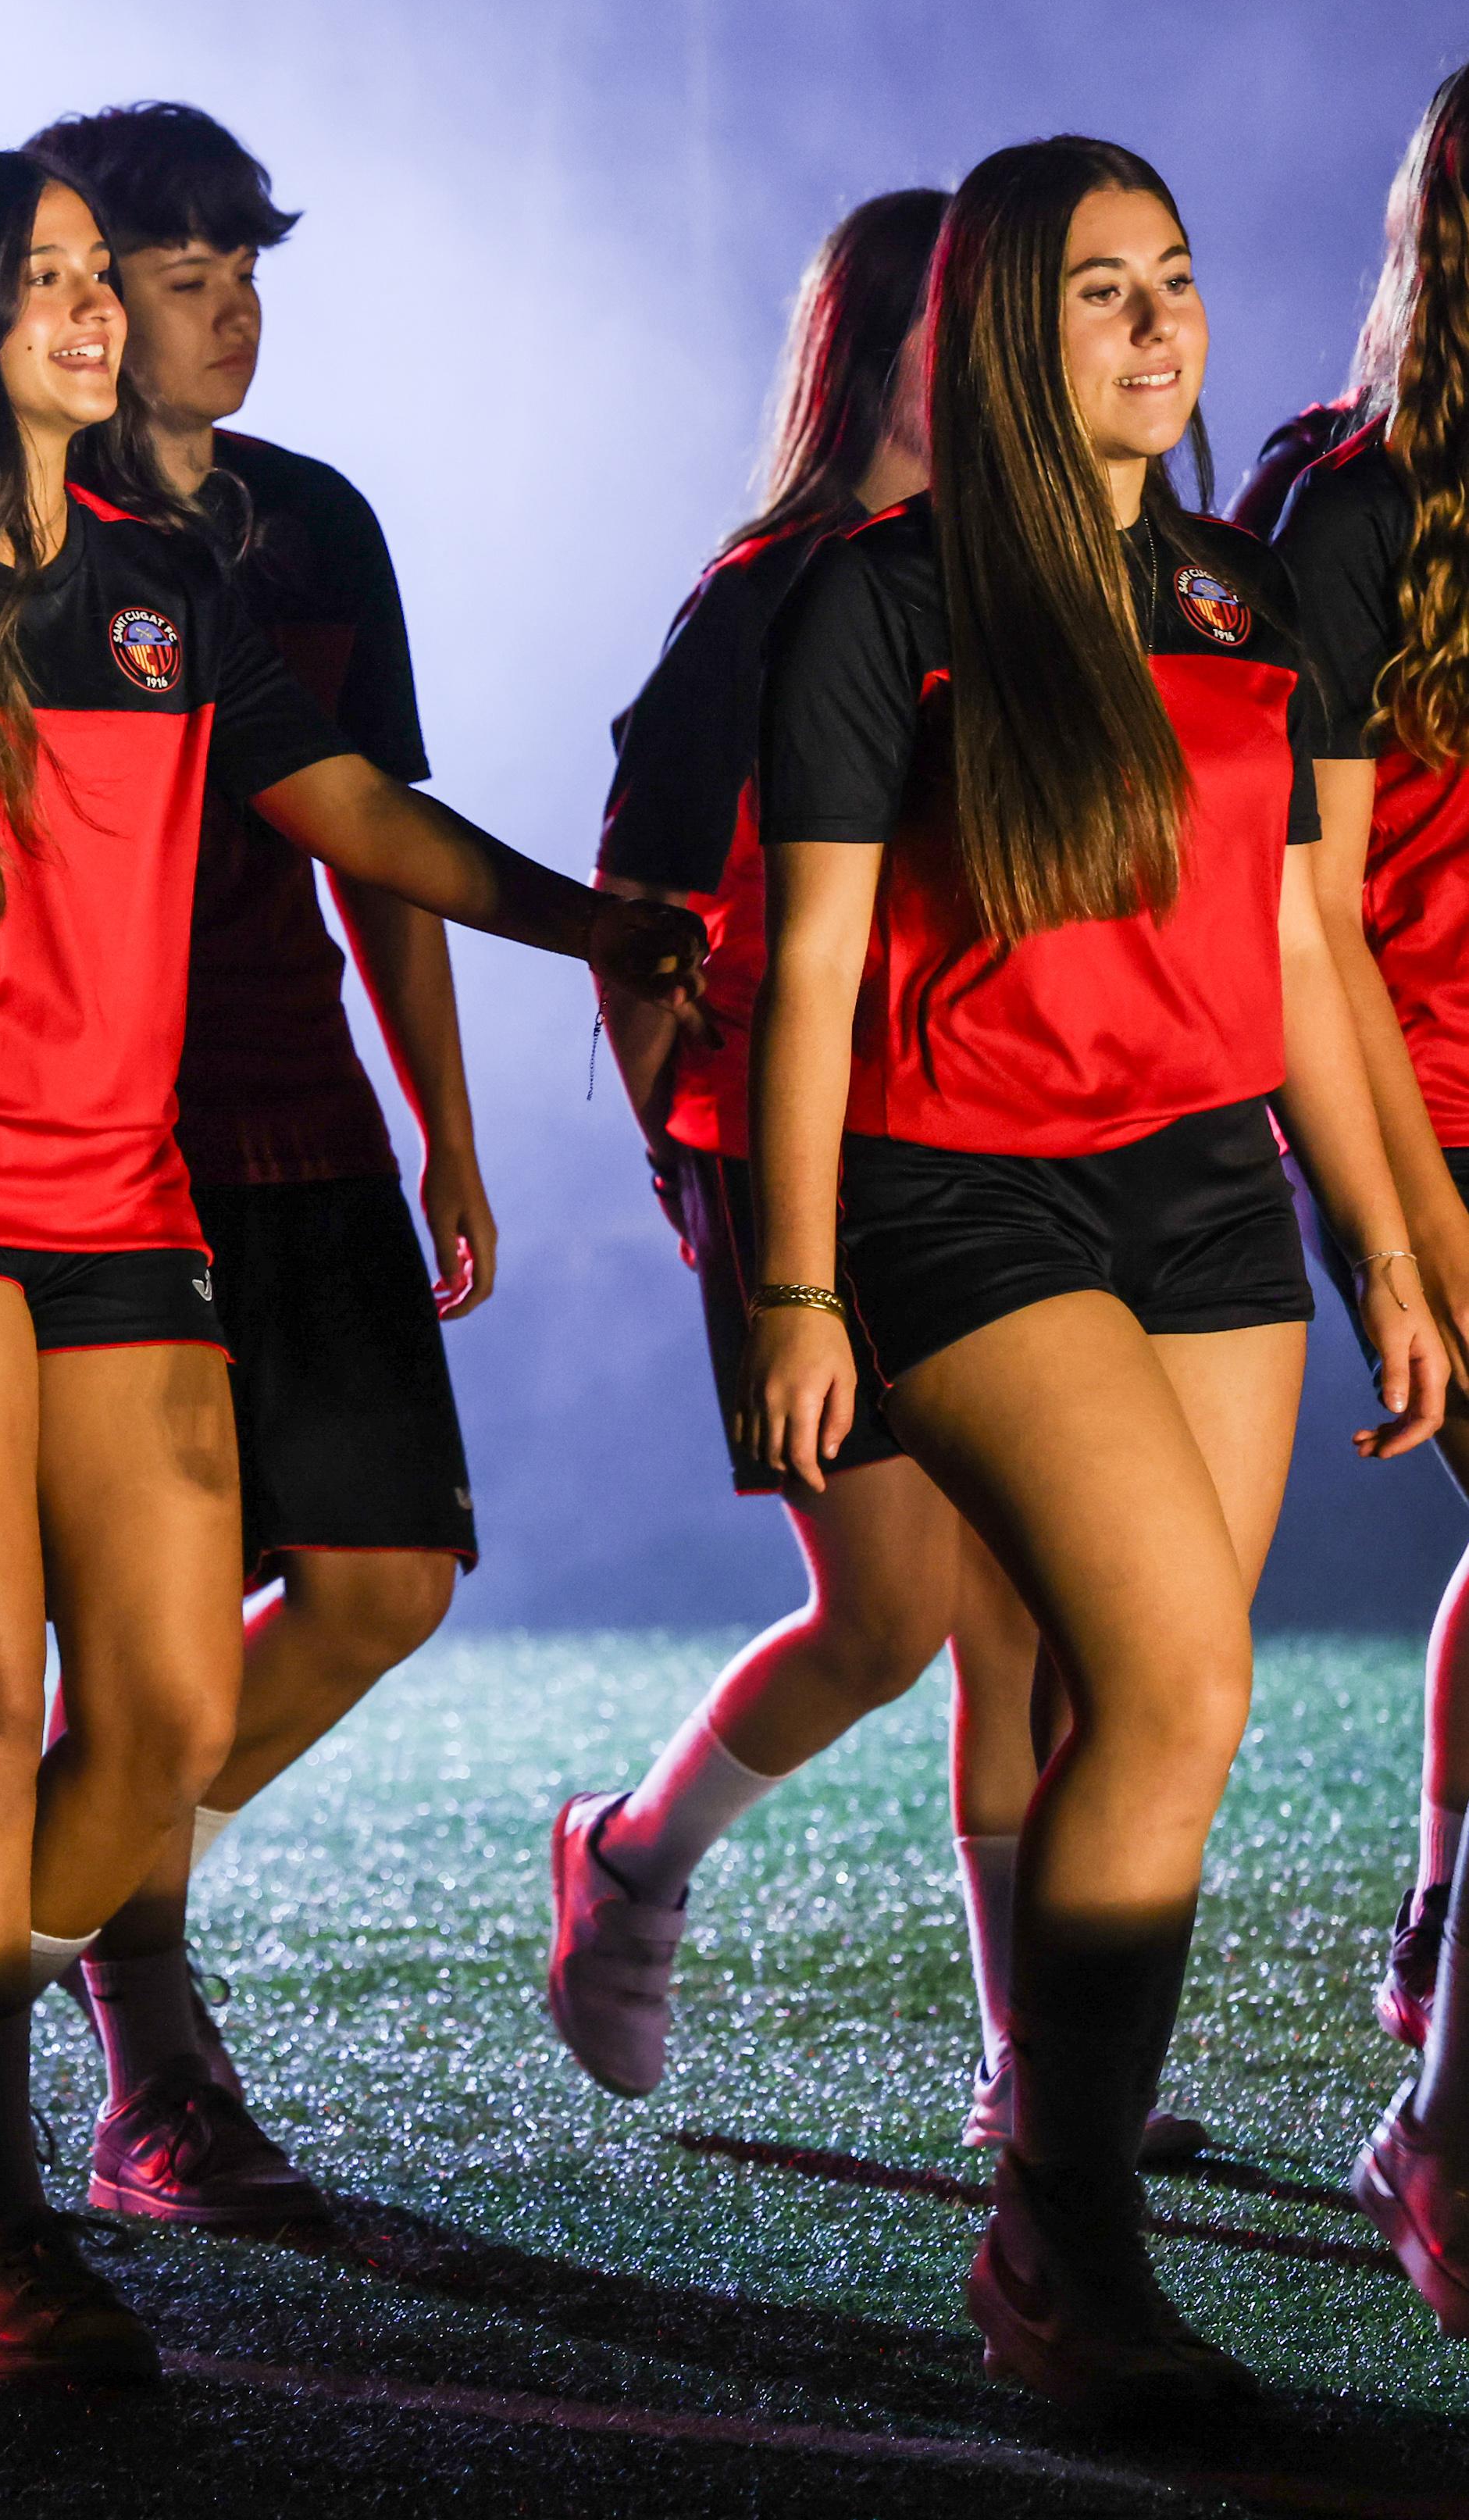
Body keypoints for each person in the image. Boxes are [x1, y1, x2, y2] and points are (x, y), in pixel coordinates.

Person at [0, 152, 703, 2384]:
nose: (90, 311)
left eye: (91, 279)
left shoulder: (166, 580)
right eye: (48, 282)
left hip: (117, 1204)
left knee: (151, 1718)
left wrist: (591, 923)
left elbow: (351, 809)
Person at [740, 137, 1438, 2418]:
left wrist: (1402, 1243)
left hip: (1207, 1198)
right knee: (1176, 1689)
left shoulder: (1244, 595)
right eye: (1100, 297)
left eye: (1179, 284)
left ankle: (1048, 2226)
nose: (1159, 331)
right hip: (964, 1199)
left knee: (1141, 1705)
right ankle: (1066, 2257)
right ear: (1003, 344)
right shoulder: (880, 596)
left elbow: (1312, 946)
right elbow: (809, 975)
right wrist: (794, 1287)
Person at [561, 189, 1210, 2161]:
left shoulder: (1037, 576)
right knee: (886, 1611)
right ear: (886, 342)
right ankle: (633, 1855)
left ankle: (1031, 2074)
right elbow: (641, 902)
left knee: (1017, 1609)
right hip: (796, 1160)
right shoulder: (774, 589)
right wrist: (715, 1175)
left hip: (983, 1154)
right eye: (984, 316)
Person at [14, 100, 487, 2228]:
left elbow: (376, 832)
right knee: (151, 1641)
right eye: (180, 273)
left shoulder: (315, 524)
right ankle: (150, 2058)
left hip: (302, 1107)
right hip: (104, 1142)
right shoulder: (17, 525)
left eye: (243, 268)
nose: (230, 310)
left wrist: (446, 1118)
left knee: (388, 1581)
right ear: (82, 302)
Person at [1274, 60, 1469, 2331]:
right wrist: (1403, 1224)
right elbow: (1303, 911)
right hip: (1399, 1092)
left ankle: (1435, 1926)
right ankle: (1439, 2137)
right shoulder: (1349, 500)